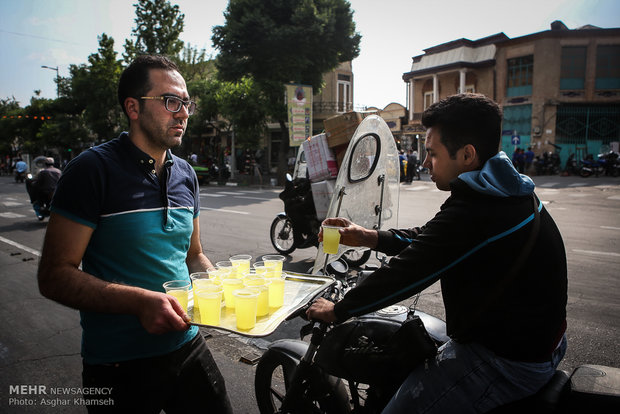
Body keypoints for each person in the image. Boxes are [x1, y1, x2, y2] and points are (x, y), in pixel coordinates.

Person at [308, 93, 567, 413]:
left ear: (467, 154)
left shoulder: (477, 211)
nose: (425, 162)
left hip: (507, 361)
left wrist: (338, 309)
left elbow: (409, 272)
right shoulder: (504, 189)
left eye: (432, 153)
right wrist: (369, 237)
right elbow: (436, 239)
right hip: (539, 341)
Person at [37, 55, 232, 413]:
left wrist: (222, 288)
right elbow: (54, 276)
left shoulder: (186, 174)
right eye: (171, 101)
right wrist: (140, 302)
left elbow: (193, 255)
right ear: (133, 107)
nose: (184, 113)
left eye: (186, 103)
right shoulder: (91, 170)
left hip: (188, 344)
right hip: (117, 365)